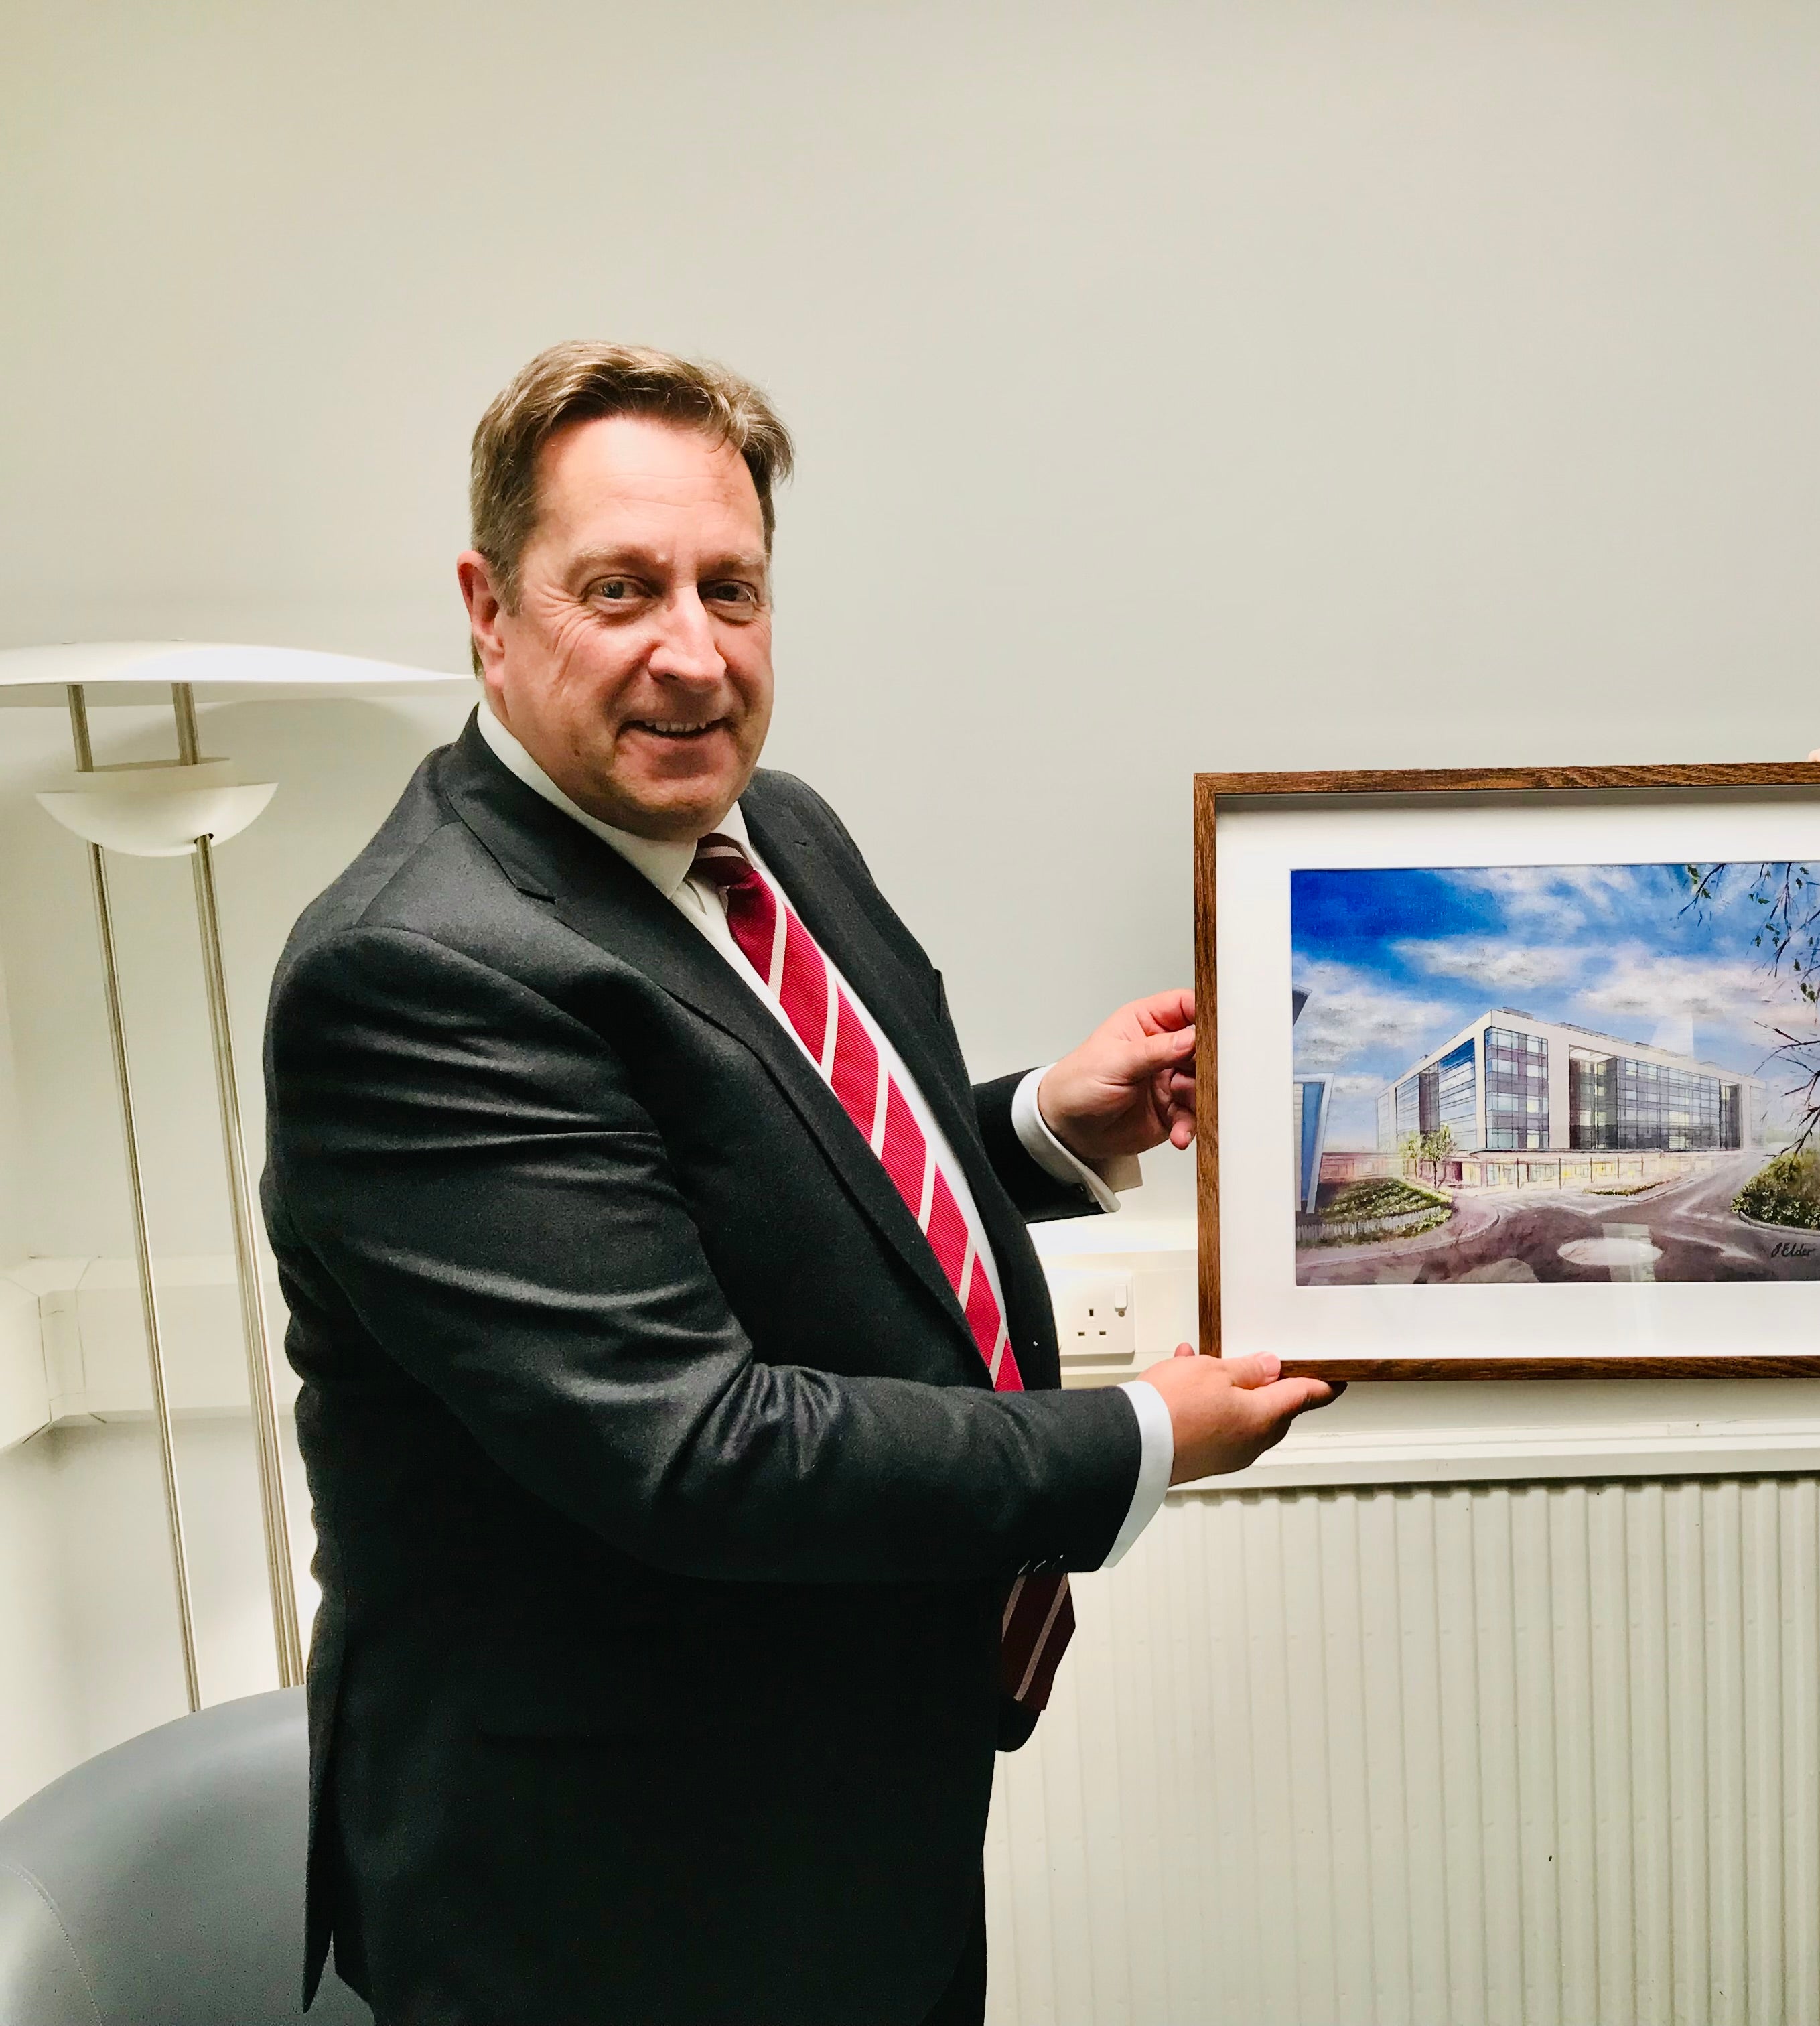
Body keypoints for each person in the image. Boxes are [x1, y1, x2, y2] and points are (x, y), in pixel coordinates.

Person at [260, 340, 1335, 2026]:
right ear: (487, 604)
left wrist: (1049, 1123)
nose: (692, 655)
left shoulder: (777, 832)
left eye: (732, 589)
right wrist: (1144, 1436)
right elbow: (696, 1444)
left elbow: (767, 1190)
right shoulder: (419, 971)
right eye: (620, 589)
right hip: (605, 1893)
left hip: (843, 1800)